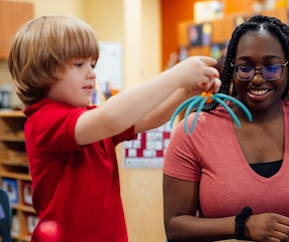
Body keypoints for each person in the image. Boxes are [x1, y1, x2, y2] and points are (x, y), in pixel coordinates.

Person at [7, 15, 221, 242]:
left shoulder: (90, 119)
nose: (91, 72)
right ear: (41, 70)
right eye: (79, 64)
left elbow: (149, 117)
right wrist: (177, 75)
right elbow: (111, 118)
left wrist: (188, 90)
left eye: (92, 64)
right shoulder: (43, 121)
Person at [163, 15, 289, 242]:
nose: (257, 78)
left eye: (271, 67)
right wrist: (242, 226)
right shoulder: (195, 129)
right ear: (232, 69)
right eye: (245, 68)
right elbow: (175, 226)